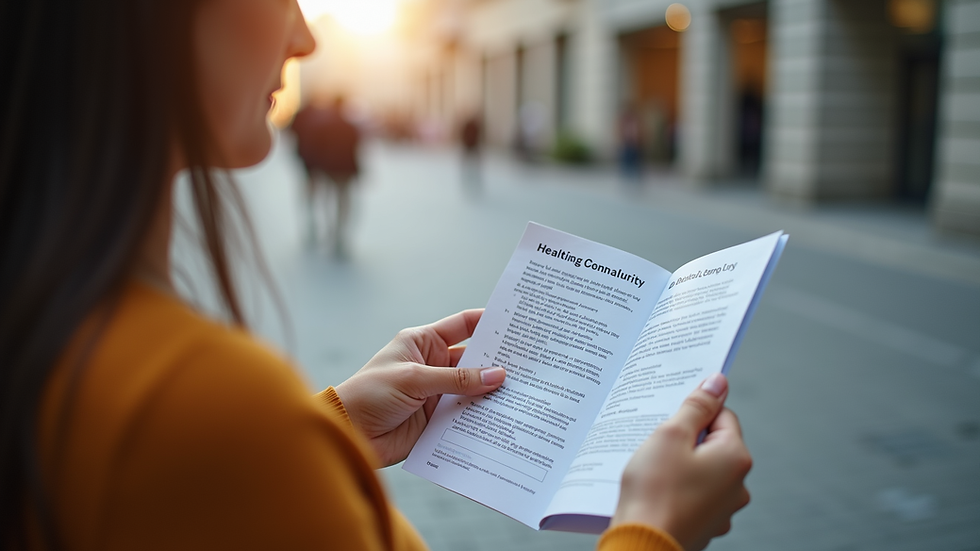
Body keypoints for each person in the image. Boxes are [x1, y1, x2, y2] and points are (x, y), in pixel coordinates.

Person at [0, 1, 751, 550]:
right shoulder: (203, 402)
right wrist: (654, 530)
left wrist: (328, 435)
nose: (303, 36)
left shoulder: (63, 329)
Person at [291, 94, 361, 255]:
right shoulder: (349, 126)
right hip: (344, 171)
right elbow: (355, 152)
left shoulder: (323, 126)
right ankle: (338, 235)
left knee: (328, 202)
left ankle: (333, 233)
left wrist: (314, 168)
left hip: (329, 170)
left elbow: (315, 150)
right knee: (342, 204)